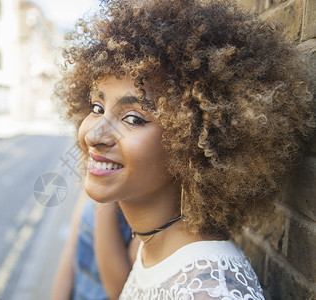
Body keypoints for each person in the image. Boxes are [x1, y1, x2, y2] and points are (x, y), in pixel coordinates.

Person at [55, 0, 315, 298]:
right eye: (96, 107)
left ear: (194, 143)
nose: (94, 135)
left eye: (133, 118)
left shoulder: (206, 290)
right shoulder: (154, 250)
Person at [51, 190, 139, 300]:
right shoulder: (96, 180)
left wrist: (105, 196)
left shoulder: (144, 217)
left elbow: (118, 293)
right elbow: (72, 247)